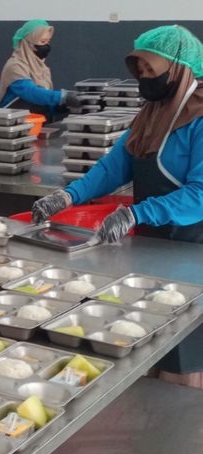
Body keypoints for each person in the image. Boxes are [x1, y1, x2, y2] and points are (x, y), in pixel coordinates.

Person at [32, 25, 203, 387]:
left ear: (179, 68)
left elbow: (200, 194)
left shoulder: (199, 119)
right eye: (140, 71)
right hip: (153, 248)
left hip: (194, 250)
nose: (145, 78)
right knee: (150, 340)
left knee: (183, 359)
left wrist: (138, 212)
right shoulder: (154, 113)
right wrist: (68, 195)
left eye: (151, 69)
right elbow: (115, 166)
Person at [0, 19, 80, 117]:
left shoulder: (41, 67)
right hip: (13, 120)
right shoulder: (15, 66)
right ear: (28, 43)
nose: (46, 45)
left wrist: (58, 107)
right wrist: (62, 97)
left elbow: (44, 96)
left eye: (48, 41)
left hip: (35, 119)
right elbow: (31, 93)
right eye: (42, 41)